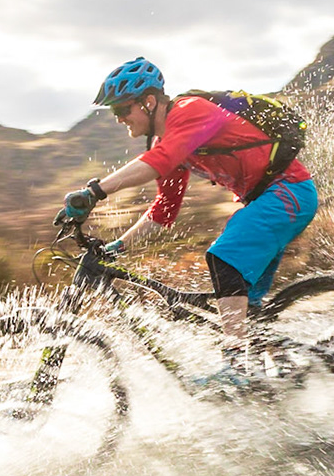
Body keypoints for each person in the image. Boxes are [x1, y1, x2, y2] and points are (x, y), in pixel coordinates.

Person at [55, 57, 317, 393]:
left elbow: (158, 161)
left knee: (224, 258)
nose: (119, 118)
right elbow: (164, 210)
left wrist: (95, 192)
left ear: (149, 102)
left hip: (288, 192)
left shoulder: (190, 110)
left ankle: (236, 368)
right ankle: (307, 364)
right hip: (271, 201)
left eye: (122, 109)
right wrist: (118, 246)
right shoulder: (170, 142)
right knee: (247, 310)